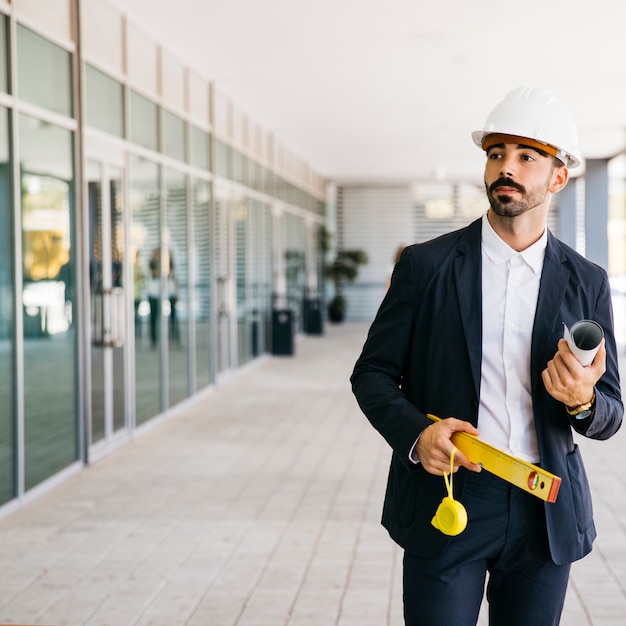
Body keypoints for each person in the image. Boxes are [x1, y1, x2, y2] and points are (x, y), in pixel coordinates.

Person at [351, 86, 623, 626]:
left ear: (558, 177)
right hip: (449, 496)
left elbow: (611, 410)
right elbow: (373, 374)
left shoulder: (587, 282)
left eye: (526, 156)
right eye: (497, 153)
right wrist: (416, 435)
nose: (507, 167)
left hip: (542, 508)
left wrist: (582, 402)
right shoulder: (425, 267)